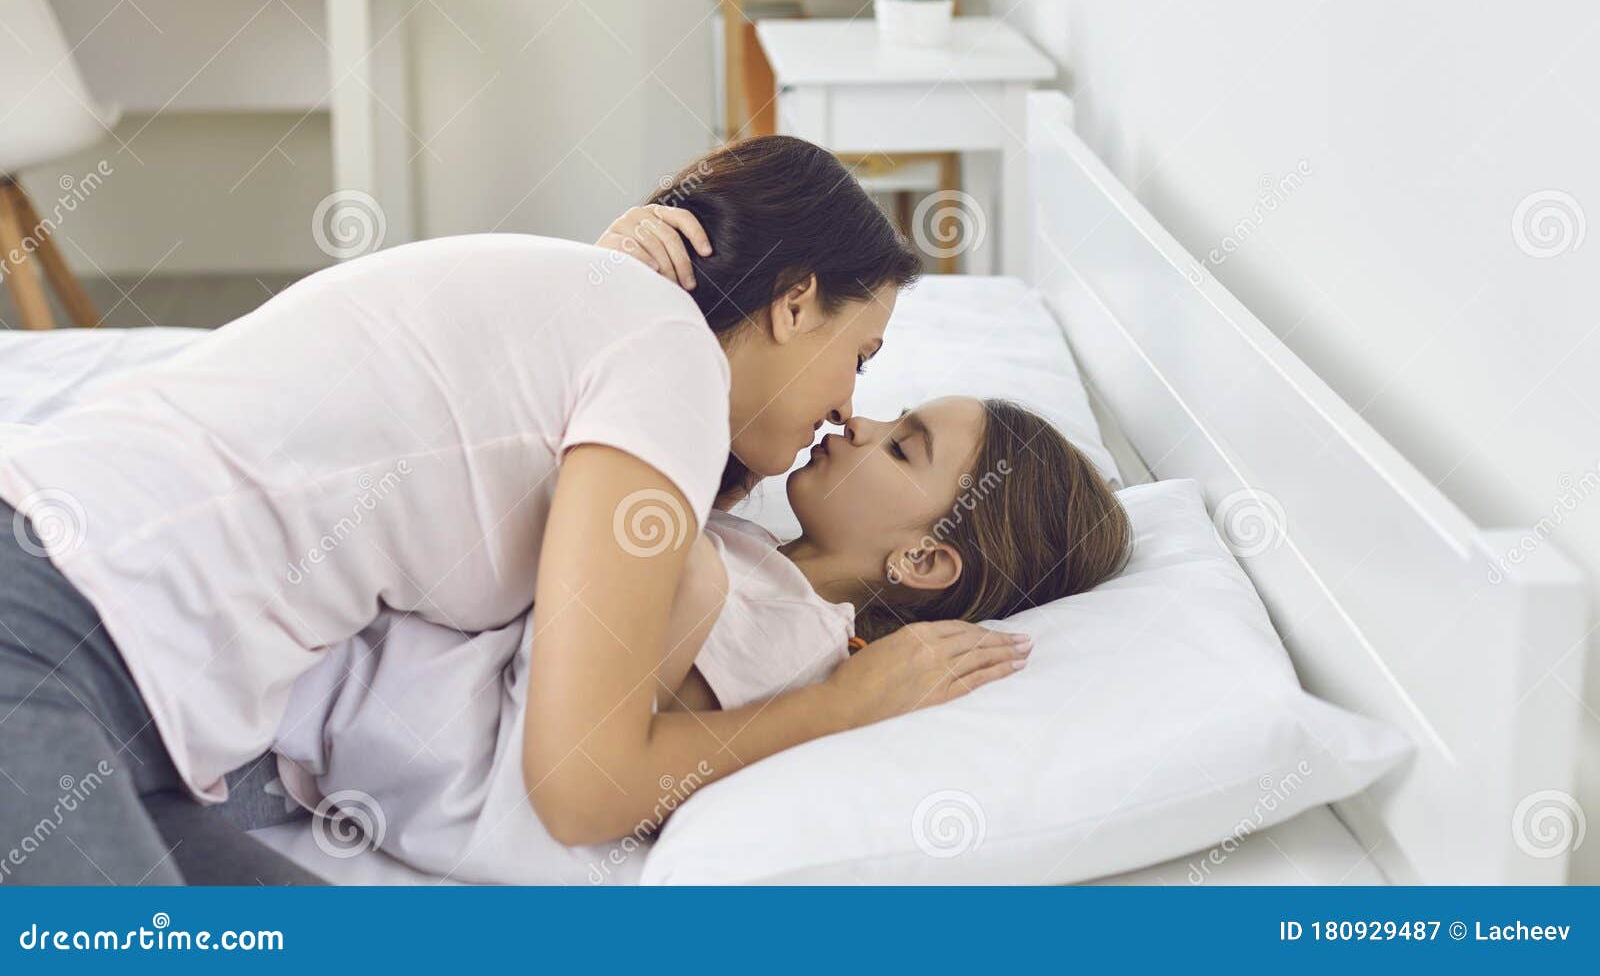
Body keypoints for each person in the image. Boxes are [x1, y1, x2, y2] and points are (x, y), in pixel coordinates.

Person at [0, 135, 1030, 884]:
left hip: (151, 720)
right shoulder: (662, 357)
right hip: (50, 623)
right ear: (794, 298)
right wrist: (840, 707)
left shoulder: (626, 339)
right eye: (859, 356)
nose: (848, 405)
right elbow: (579, 790)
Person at [262, 397, 1132, 882]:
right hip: (325, 684)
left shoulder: (789, 630)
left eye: (902, 448)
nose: (857, 422)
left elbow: (626, 744)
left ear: (925, 556)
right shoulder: (753, 549)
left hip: (333, 721)